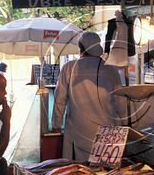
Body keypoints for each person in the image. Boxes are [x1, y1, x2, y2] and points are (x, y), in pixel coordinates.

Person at [52, 31, 125, 161]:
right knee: (104, 174)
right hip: (106, 132)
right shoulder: (110, 69)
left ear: (81, 48)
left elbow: (60, 101)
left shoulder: (69, 68)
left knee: (80, 172)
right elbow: (120, 102)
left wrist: (56, 125)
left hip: (79, 131)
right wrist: (124, 125)